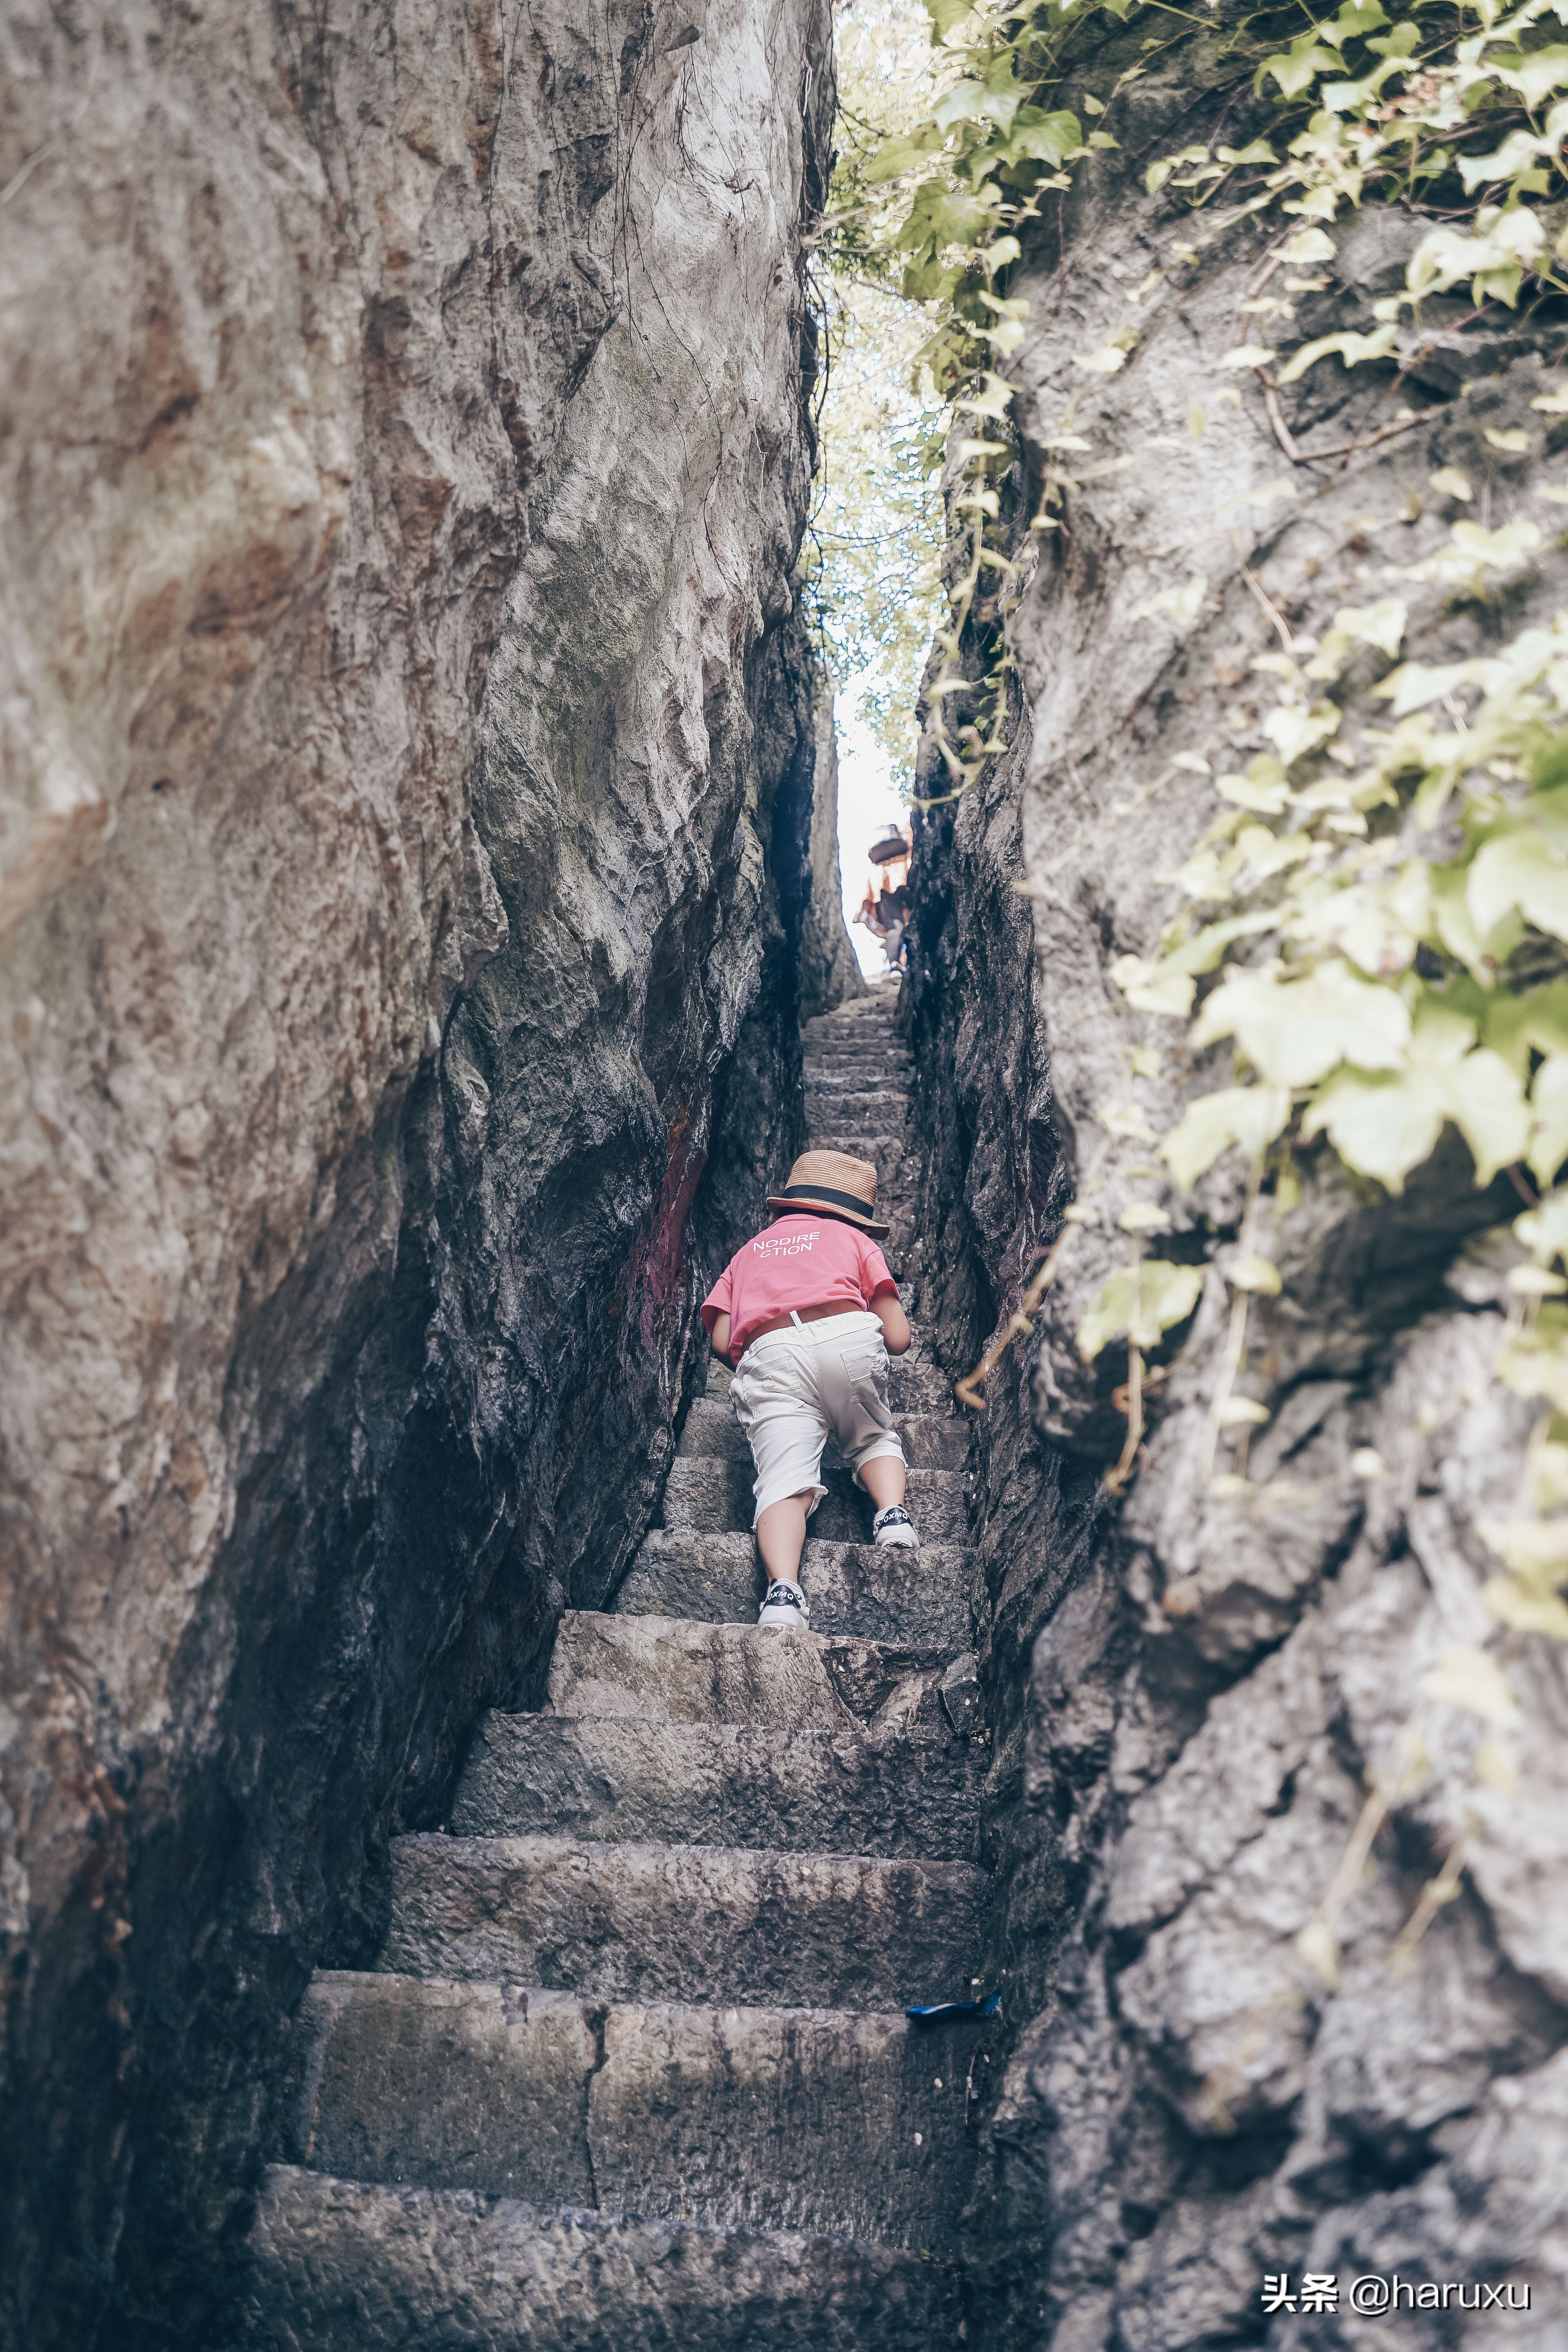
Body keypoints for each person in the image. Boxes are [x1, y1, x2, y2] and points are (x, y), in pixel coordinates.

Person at [701, 1151, 919, 1629]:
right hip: (846, 1339)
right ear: (854, 1216)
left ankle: (782, 1594)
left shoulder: (748, 1251)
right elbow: (898, 1337)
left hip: (770, 1351)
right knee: (871, 1435)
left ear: (784, 1207)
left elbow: (721, 1340)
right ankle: (892, 1517)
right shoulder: (853, 1239)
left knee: (782, 1481)